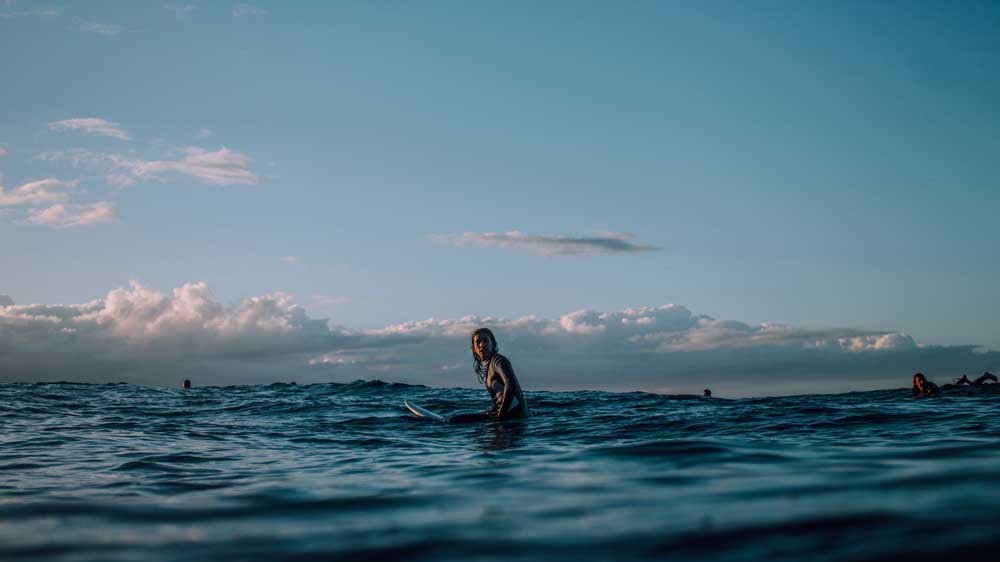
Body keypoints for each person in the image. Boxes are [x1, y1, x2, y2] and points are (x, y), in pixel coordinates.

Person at [450, 328, 529, 422]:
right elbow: (499, 398)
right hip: (507, 416)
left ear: (493, 344)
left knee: (455, 421)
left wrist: (501, 416)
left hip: (514, 419)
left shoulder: (498, 361)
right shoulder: (490, 365)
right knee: (457, 420)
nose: (482, 345)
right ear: (474, 349)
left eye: (486, 341)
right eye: (478, 342)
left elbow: (510, 385)